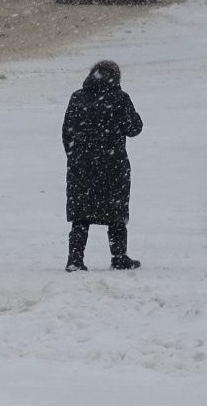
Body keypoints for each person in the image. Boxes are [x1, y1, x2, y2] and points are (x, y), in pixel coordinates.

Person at [62, 60, 143, 272]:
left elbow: (67, 131)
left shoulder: (77, 98)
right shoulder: (119, 99)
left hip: (82, 166)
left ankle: (75, 259)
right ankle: (118, 257)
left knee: (81, 216)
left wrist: (74, 156)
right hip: (113, 164)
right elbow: (134, 128)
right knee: (115, 213)